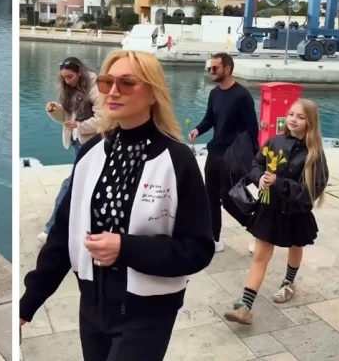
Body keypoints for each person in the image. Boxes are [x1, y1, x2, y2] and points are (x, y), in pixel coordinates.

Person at [20, 50, 214, 361]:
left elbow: (198, 249)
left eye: (126, 83)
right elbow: (62, 235)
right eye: (107, 82)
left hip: (148, 314)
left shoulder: (177, 161)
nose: (112, 91)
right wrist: (26, 306)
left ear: (153, 93)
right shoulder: (92, 153)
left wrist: (126, 248)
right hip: (93, 307)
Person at [224, 99, 328, 325]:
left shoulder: (315, 154)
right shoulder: (274, 141)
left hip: (295, 211)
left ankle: (289, 282)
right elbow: (257, 164)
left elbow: (312, 190)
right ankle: (245, 306)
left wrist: (279, 183)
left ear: (310, 122)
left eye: (300, 117)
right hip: (269, 208)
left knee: (295, 245)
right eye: (291, 114)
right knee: (261, 254)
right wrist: (259, 177)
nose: (293, 119)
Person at [189, 52, 259, 253]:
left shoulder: (242, 96)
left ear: (227, 69)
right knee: (210, 196)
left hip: (232, 156)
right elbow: (210, 119)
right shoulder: (215, 94)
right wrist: (198, 129)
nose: (211, 71)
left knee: (230, 199)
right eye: (210, 68)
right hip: (214, 152)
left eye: (215, 68)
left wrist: (250, 157)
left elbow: (252, 130)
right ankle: (215, 238)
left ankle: (257, 228)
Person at [37, 57, 103, 243]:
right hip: (76, 141)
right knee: (84, 183)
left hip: (92, 143)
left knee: (72, 182)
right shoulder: (68, 89)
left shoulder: (95, 88)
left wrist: (79, 125)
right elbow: (66, 118)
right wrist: (54, 110)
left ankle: (52, 228)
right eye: (64, 78)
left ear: (80, 73)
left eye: (70, 77)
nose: (66, 81)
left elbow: (103, 119)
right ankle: (79, 224)